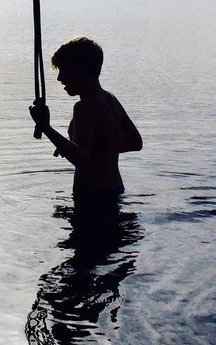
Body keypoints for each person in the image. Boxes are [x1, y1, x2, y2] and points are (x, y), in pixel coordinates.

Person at [29, 36, 142, 225]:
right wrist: (88, 147)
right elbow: (134, 142)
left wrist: (46, 128)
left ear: (80, 70)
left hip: (92, 196)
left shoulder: (84, 107)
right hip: (114, 189)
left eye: (64, 70)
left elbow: (81, 158)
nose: (59, 78)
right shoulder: (110, 99)